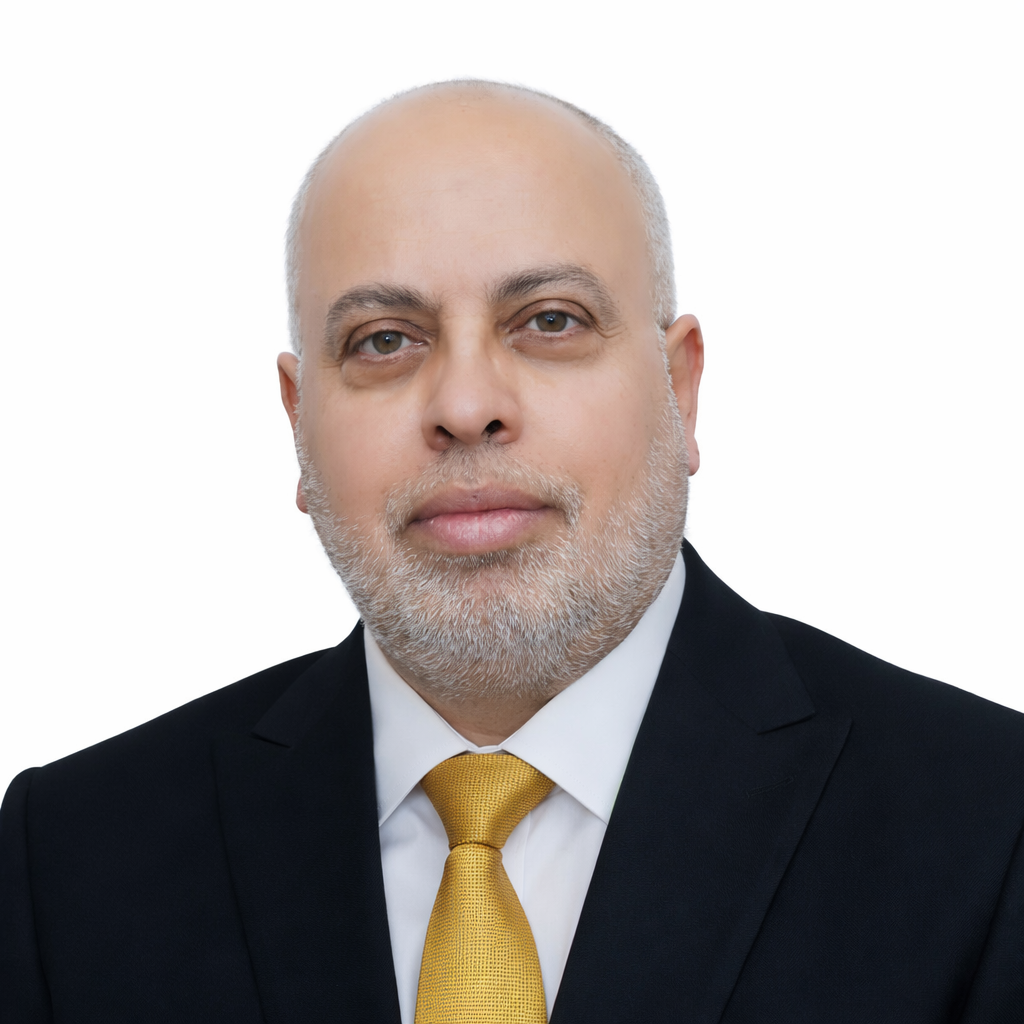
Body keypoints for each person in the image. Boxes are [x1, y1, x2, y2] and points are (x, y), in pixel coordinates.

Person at [1, 80, 1021, 1024]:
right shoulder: (71, 858)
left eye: (549, 321)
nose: (464, 405)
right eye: (384, 339)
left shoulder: (990, 824)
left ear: (680, 389)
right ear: (297, 421)